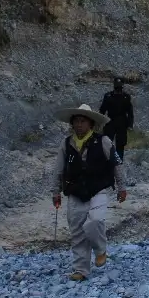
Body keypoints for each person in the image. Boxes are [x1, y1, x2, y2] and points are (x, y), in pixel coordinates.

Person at [50, 103, 127, 281]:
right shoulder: (66, 144)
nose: (78, 125)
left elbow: (117, 165)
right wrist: (55, 192)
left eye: (82, 121)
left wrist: (122, 187)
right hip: (75, 192)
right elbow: (58, 170)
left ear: (91, 123)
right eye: (76, 121)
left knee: (95, 221)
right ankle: (81, 270)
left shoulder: (104, 141)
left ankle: (100, 249)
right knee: (77, 232)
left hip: (98, 189)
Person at [99, 77, 134, 161]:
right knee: (107, 141)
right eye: (117, 86)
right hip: (110, 120)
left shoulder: (126, 97)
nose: (118, 88)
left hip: (122, 122)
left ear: (122, 86)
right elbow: (102, 109)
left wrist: (130, 125)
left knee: (120, 143)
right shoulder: (108, 96)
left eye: (120, 86)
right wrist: (99, 121)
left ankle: (119, 161)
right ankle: (107, 160)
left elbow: (130, 112)